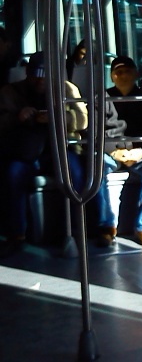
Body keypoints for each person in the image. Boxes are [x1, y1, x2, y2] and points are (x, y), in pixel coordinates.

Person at [0, 52, 88, 257]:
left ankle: (76, 230)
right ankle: (17, 234)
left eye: (45, 76)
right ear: (28, 73)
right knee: (13, 175)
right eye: (35, 76)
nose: (40, 81)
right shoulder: (10, 92)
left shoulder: (66, 89)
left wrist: (59, 117)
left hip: (61, 148)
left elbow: (83, 119)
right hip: (25, 151)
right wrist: (17, 117)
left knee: (76, 174)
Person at [93, 55, 142, 247]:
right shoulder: (101, 99)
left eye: (127, 72)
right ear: (112, 76)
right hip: (111, 153)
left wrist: (141, 151)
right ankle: (107, 226)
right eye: (118, 72)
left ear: (136, 74)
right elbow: (94, 132)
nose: (123, 76)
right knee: (99, 166)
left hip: (138, 153)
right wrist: (113, 152)